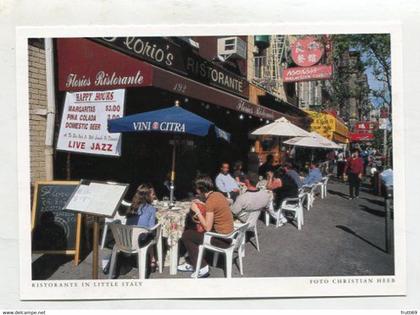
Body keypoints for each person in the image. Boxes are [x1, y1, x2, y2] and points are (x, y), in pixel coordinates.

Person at [178, 175, 234, 278]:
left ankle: (202, 267)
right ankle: (192, 262)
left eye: (197, 190)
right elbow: (220, 206)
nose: (196, 192)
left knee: (187, 235)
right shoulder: (218, 195)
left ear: (201, 189)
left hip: (222, 240)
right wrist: (203, 204)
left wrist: (197, 211)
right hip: (230, 236)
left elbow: (207, 228)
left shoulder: (210, 201)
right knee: (194, 232)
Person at [125, 184, 159, 271]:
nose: (154, 196)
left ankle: (152, 259)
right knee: (151, 234)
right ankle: (152, 259)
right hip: (139, 241)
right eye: (153, 195)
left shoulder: (132, 206)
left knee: (142, 232)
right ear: (147, 196)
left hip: (125, 239)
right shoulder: (151, 209)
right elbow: (150, 228)